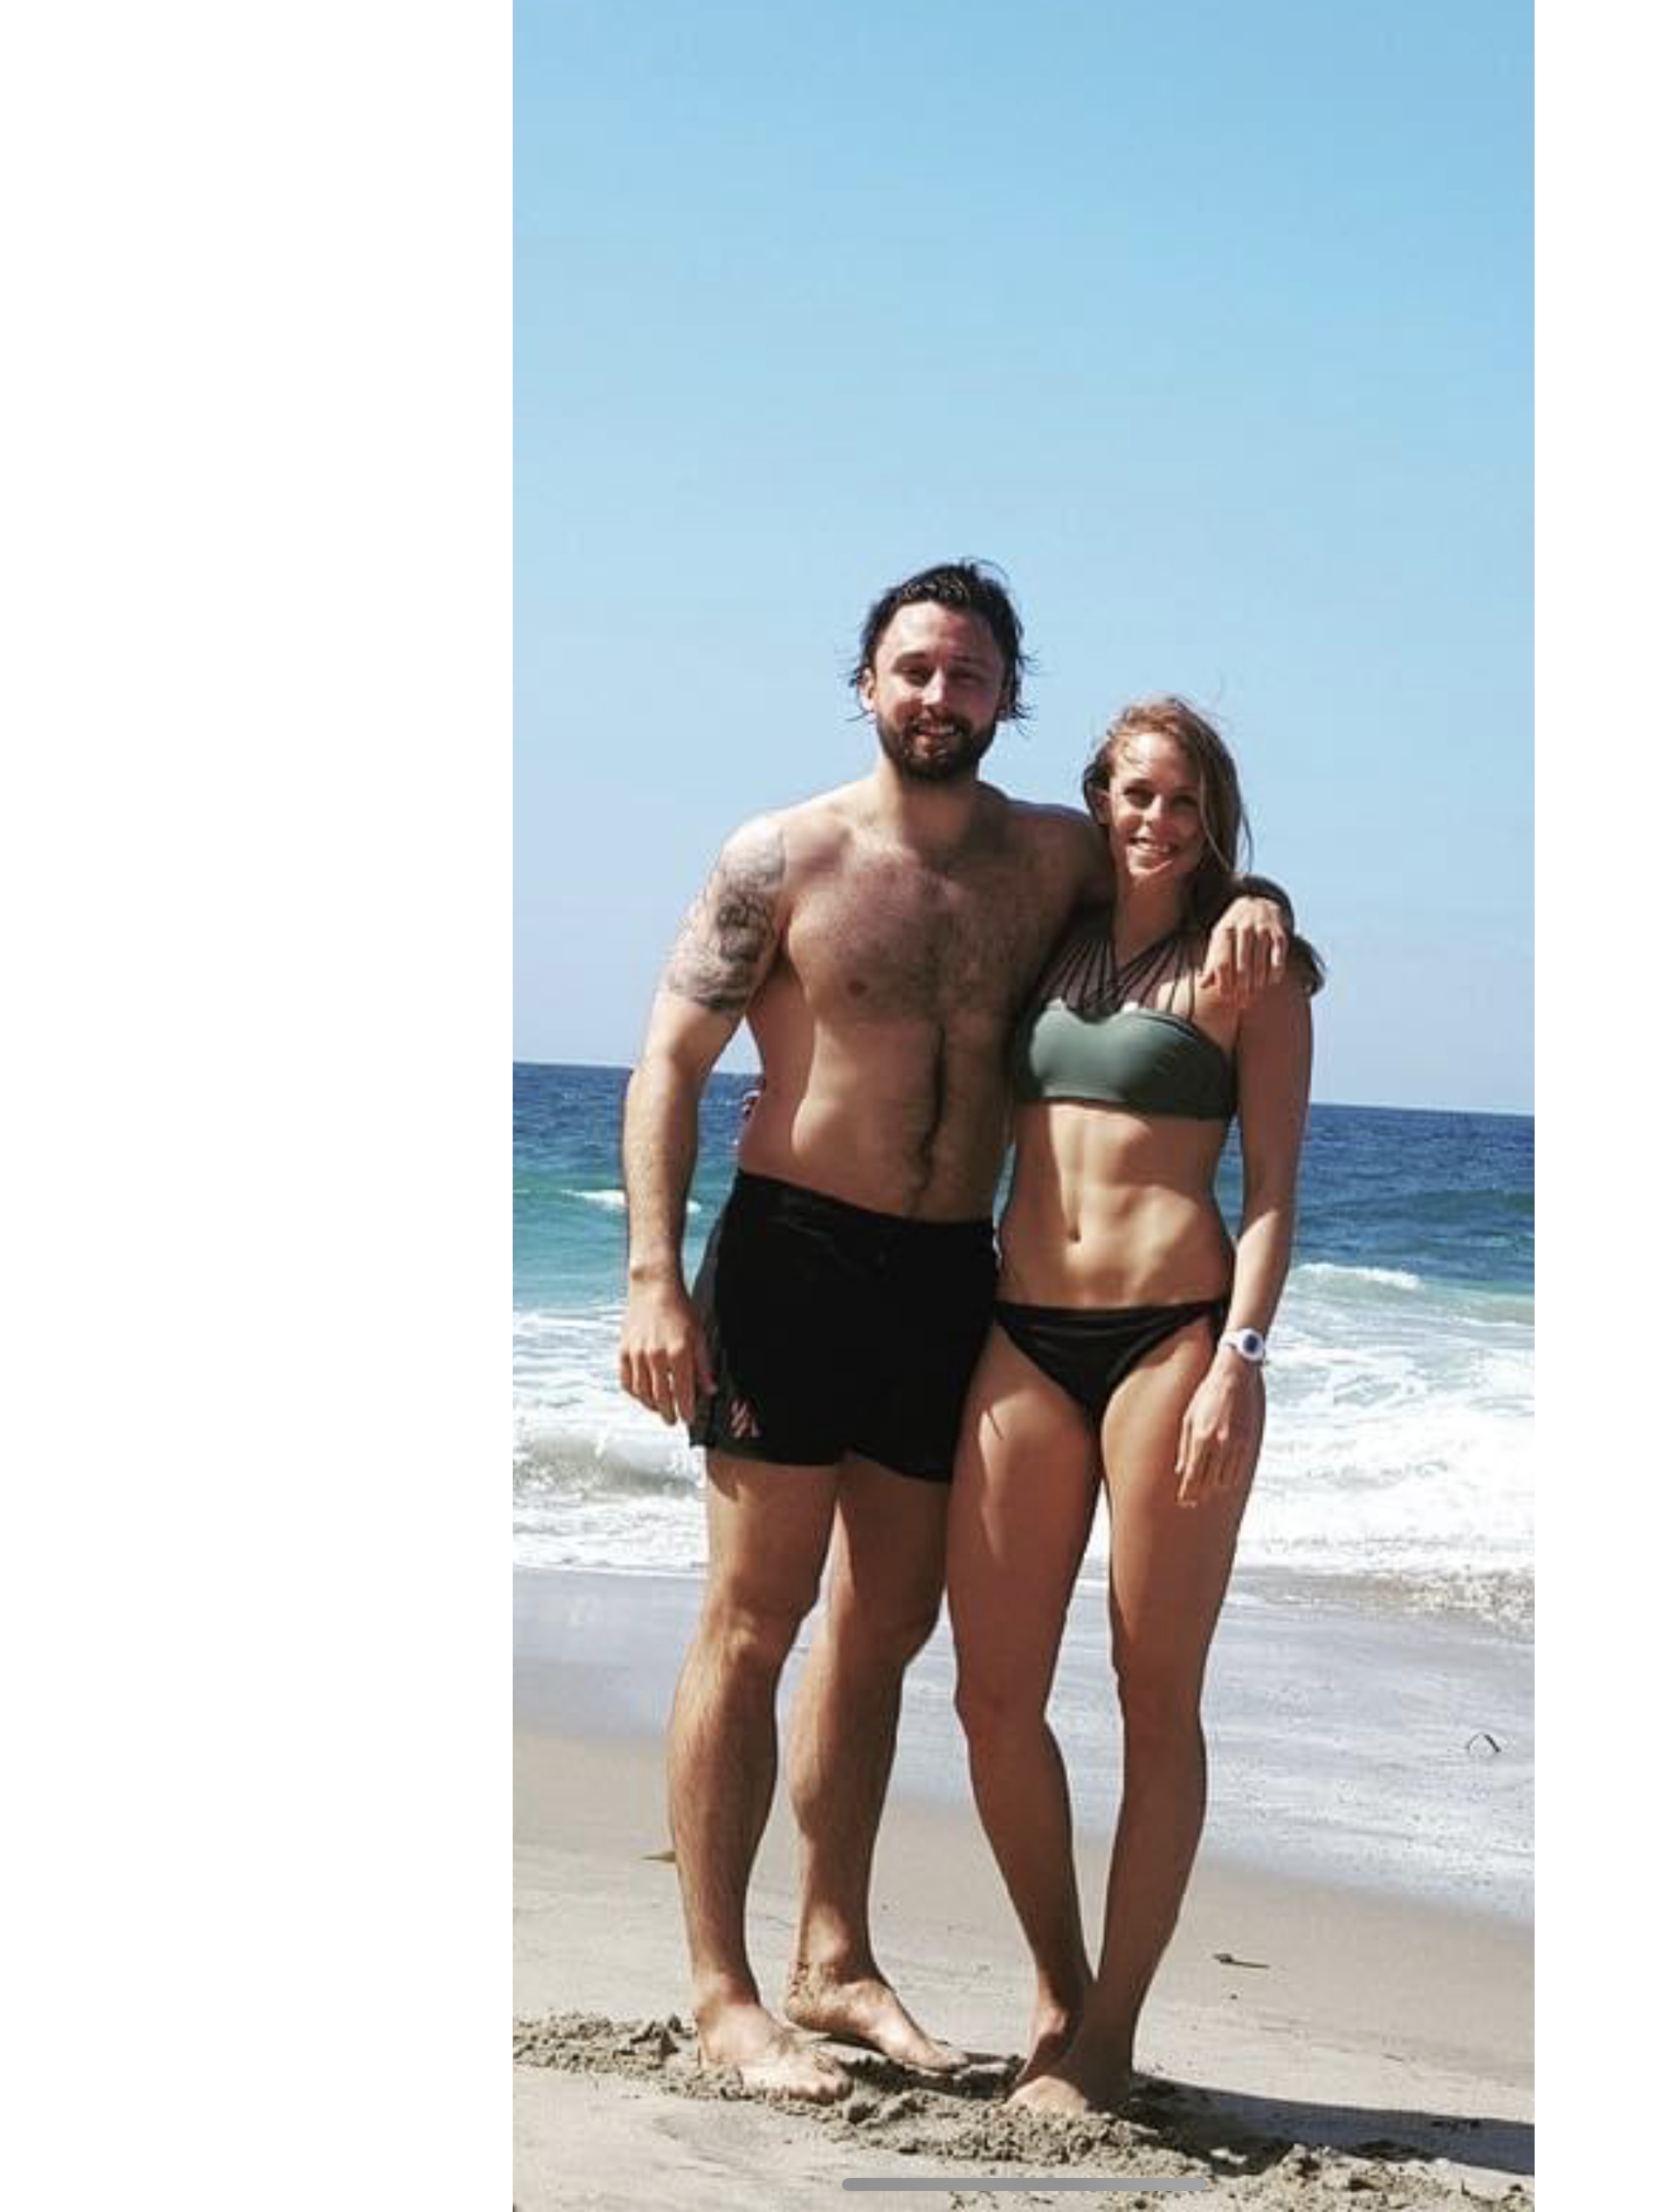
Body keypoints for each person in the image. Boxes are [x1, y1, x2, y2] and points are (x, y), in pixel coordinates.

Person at [616, 564, 1294, 2102]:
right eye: (914, 668)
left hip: (945, 1282)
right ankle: (724, 1992)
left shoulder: (1047, 857)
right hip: (791, 1256)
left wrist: (1265, 900)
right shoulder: (781, 855)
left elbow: (1182, 863)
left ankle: (834, 1957)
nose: (940, 695)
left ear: (1007, 697)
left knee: (885, 1627)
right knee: (754, 1618)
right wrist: (654, 1273)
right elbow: (669, 1063)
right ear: (867, 682)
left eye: (970, 673)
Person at [945, 696, 1322, 2115]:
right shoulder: (1052, 932)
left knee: (1153, 1698)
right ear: (1099, 797)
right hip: (1021, 1333)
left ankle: (1110, 2038)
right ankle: (1059, 1988)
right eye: (1134, 792)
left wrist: (1240, 1358)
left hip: (1174, 1343)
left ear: (1213, 817)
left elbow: (1274, 1190)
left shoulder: (1252, 963)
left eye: (1182, 799)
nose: (1154, 818)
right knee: (992, 1696)